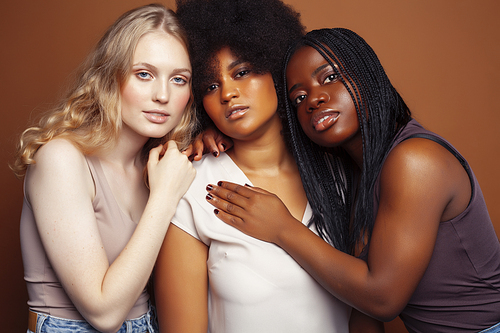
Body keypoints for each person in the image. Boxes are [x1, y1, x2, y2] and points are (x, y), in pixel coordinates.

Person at [204, 28, 500, 332]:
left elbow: (382, 300)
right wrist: (214, 133)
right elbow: (362, 305)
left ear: (366, 74)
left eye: (330, 77)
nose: (314, 99)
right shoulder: (357, 170)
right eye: (299, 97)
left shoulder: (415, 160)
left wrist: (282, 228)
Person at [153, 1, 358, 332]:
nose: (228, 93)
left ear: (276, 70)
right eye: (210, 85)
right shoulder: (192, 187)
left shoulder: (340, 176)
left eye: (242, 72)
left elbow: (367, 310)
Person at [12, 4, 197, 333]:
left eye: (179, 79)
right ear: (110, 75)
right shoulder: (61, 159)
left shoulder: (156, 163)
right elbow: (104, 314)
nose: (163, 95)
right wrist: (164, 197)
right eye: (144, 74)